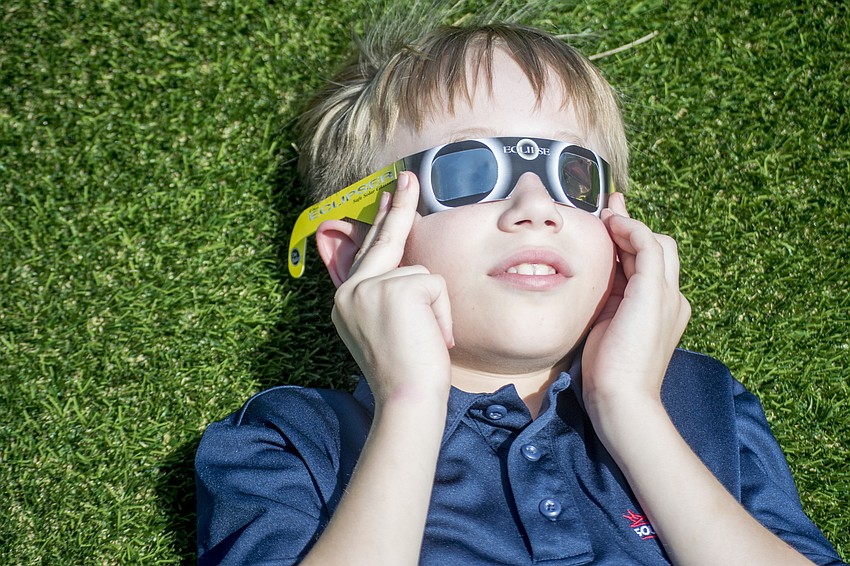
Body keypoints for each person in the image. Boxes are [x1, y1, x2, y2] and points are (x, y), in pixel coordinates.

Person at [195, 17, 844, 566]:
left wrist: (630, 406)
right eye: (472, 170)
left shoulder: (706, 406)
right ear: (356, 252)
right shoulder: (290, 444)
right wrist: (410, 402)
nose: (537, 207)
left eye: (573, 176)